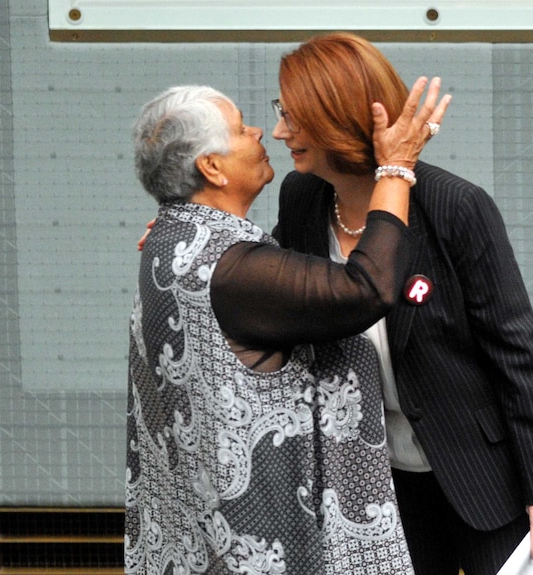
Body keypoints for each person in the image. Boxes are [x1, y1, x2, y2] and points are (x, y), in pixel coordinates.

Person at [271, 32, 533, 575]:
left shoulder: (454, 207)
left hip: (490, 478)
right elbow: (268, 279)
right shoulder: (302, 201)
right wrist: (195, 240)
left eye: (294, 116)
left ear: (338, 117)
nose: (279, 131)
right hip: (379, 486)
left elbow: (516, 350)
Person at [125, 81, 449, 575]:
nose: (260, 132)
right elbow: (366, 290)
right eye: (239, 129)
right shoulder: (228, 267)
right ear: (211, 167)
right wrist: (396, 169)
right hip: (268, 543)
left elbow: (277, 279)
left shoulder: (175, 241)